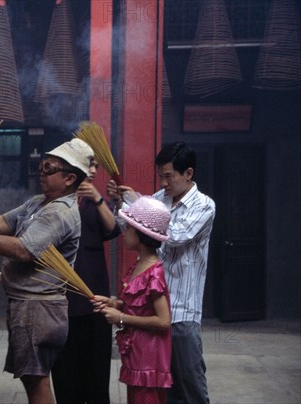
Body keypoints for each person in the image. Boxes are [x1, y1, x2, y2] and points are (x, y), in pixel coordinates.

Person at [0, 138, 94, 404]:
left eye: (50, 168)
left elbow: (23, 251)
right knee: (33, 378)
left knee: (36, 381)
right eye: (42, 166)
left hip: (38, 308)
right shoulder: (42, 202)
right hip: (30, 307)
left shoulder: (60, 213)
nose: (42, 172)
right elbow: (4, 222)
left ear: (70, 178)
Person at [107, 142, 216, 404]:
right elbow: (133, 227)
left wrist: (138, 202)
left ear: (188, 173)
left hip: (182, 310)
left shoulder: (204, 205)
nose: (164, 182)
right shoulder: (157, 198)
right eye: (161, 176)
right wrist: (122, 203)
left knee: (191, 387)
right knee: (164, 388)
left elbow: (174, 235)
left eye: (169, 176)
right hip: (152, 311)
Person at [51, 158, 120, 404]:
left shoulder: (95, 202)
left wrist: (99, 199)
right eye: (89, 164)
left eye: (96, 166)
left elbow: (113, 229)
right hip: (62, 302)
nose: (93, 170)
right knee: (66, 376)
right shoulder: (56, 200)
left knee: (97, 377)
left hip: (95, 300)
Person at [92, 196, 173, 404]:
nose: (124, 233)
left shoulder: (154, 273)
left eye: (128, 228)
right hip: (137, 353)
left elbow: (163, 321)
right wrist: (114, 303)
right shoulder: (139, 265)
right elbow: (139, 305)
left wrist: (121, 317)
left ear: (142, 234)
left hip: (149, 357)